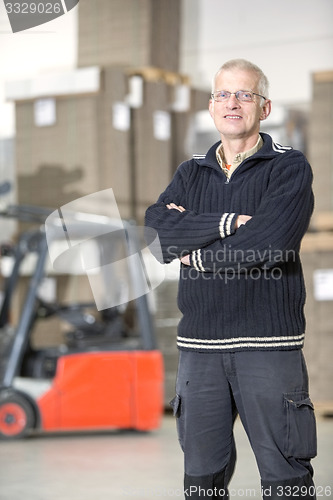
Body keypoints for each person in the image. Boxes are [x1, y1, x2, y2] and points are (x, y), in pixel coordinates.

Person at [145, 59, 317, 500]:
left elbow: (270, 244)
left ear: (265, 107)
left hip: (267, 346)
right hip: (200, 350)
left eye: (245, 94)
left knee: (286, 475)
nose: (233, 103)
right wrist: (227, 223)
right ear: (211, 106)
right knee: (202, 478)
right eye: (223, 94)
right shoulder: (190, 172)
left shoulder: (288, 168)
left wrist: (195, 255)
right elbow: (159, 235)